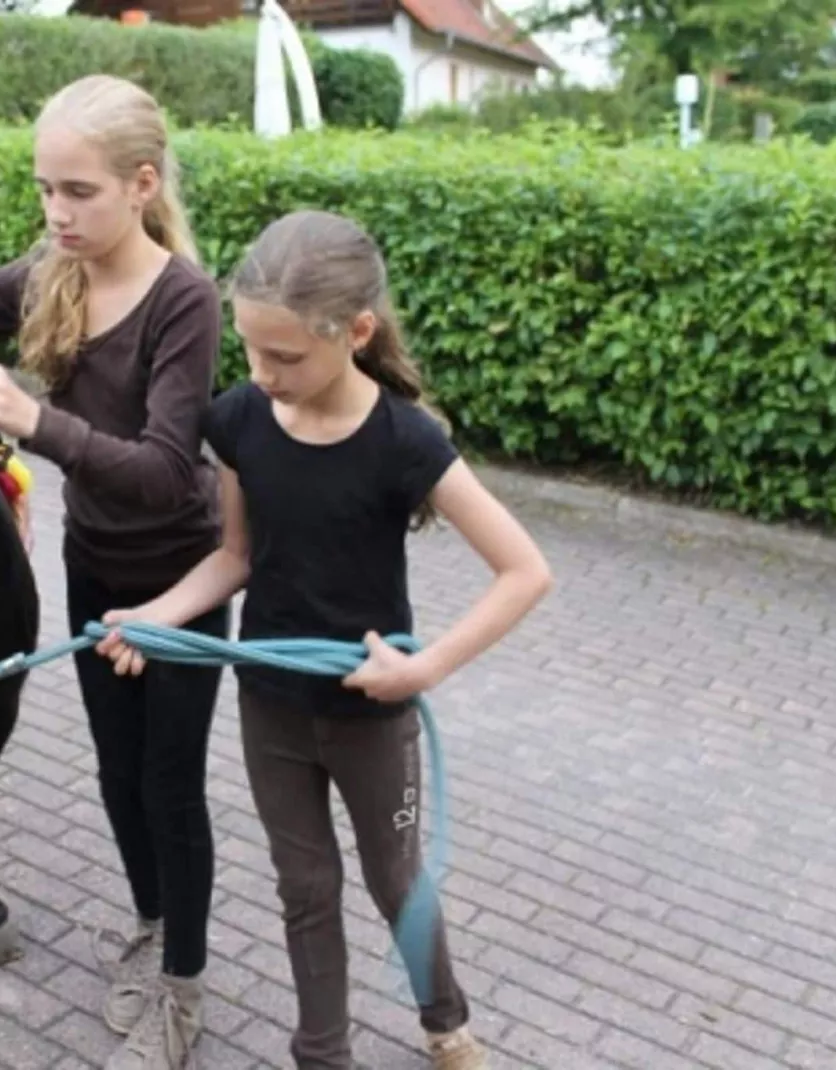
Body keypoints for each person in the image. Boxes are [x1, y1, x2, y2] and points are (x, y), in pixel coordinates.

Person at [95, 209, 554, 1070]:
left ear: (358, 332)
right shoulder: (238, 422)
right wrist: (155, 618)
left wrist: (423, 667)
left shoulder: (406, 441)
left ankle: (445, 1021)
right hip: (271, 710)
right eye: (252, 351)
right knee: (305, 890)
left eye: (287, 357)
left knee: (397, 880)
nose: (263, 375)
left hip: (373, 716)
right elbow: (234, 557)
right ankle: (322, 1056)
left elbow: (525, 571)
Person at [0, 74, 229, 1070]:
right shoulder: (48, 267)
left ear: (141, 184)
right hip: (93, 563)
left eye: (78, 191)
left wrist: (33, 419)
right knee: (115, 774)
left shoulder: (183, 300)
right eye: (44, 190)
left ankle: (182, 991)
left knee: (170, 783)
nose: (56, 213)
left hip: (181, 576)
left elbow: (160, 471)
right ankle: (154, 925)